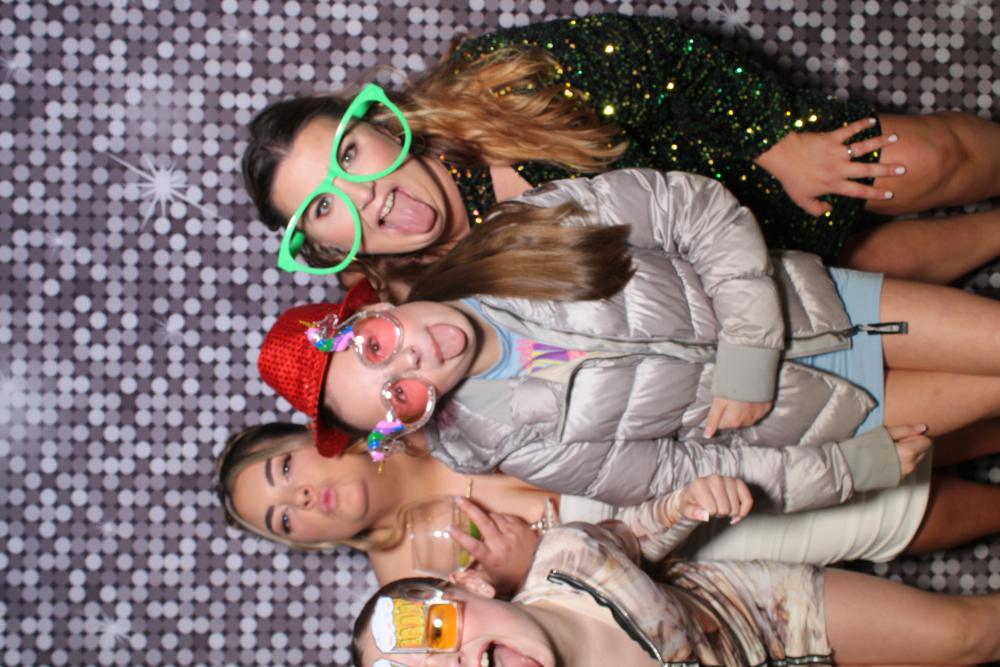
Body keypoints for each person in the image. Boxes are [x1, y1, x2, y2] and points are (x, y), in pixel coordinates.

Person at [252, 168, 1000, 565]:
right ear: (412, 418)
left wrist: (748, 350)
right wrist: (851, 469)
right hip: (826, 417)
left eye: (376, 347)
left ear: (369, 312)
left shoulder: (513, 234)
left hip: (822, 306)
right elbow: (689, 472)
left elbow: (691, 209)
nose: (412, 361)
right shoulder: (519, 443)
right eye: (398, 396)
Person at [243, 14, 1000, 289]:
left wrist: (772, 139)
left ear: (377, 122)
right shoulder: (439, 304)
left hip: (745, 154)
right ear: (325, 247)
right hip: (750, 281)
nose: (363, 194)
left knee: (928, 159)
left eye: (349, 154)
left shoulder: (488, 82)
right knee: (889, 269)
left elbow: (661, 56)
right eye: (324, 205)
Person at [215, 421, 1000, 592]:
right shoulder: (408, 591)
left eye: (284, 470)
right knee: (903, 508)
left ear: (313, 438)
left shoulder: (413, 403)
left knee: (927, 432)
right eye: (282, 516)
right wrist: (515, 573)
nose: (300, 495)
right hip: (704, 540)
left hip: (696, 434)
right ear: (306, 540)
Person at [353, 519, 1000, 667]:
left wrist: (690, 503)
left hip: (764, 615)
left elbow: (639, 531)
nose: (453, 662)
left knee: (966, 634)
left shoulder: (568, 560)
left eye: (435, 632)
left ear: (469, 584)